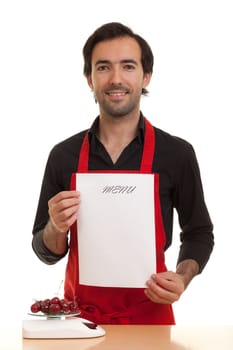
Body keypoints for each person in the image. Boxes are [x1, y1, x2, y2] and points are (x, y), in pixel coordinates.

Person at [32, 22, 214, 325]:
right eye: (103, 68)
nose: (116, 79)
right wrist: (55, 226)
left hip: (150, 321)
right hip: (79, 323)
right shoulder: (62, 156)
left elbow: (198, 233)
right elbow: (46, 251)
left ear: (145, 76)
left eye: (128, 66)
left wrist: (182, 277)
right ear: (90, 79)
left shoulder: (177, 154)